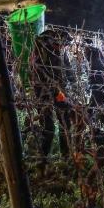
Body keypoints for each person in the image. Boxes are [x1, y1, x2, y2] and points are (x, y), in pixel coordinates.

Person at [32, 28, 76, 161]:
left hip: (59, 91)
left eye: (64, 45)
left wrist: (74, 84)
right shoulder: (41, 50)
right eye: (60, 44)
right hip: (43, 92)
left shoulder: (60, 50)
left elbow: (67, 67)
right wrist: (55, 91)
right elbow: (38, 74)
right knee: (48, 127)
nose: (62, 47)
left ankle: (66, 156)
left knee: (65, 123)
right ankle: (42, 159)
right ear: (52, 41)